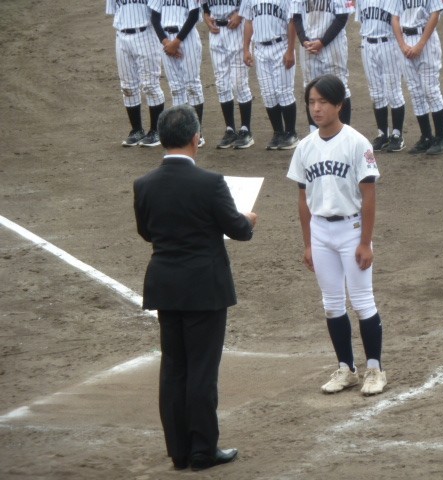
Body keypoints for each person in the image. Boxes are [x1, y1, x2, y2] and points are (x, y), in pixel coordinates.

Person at [133, 104, 257, 471]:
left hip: (165, 285)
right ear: (195, 138)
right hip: (204, 288)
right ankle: (203, 449)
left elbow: (146, 232)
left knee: (174, 368)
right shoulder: (211, 182)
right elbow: (238, 229)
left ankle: (179, 451)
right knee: (202, 370)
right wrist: (249, 220)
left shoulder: (144, 184)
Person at [287, 74, 387, 396]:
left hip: (351, 229)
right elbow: (303, 198)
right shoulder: (305, 147)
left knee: (362, 301)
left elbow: (368, 196)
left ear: (339, 105)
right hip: (320, 231)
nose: (316, 108)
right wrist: (308, 243)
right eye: (311, 102)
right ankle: (347, 368)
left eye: (323, 102)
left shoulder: (357, 143)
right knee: (331, 304)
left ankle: (375, 369)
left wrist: (365, 242)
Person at [391, 0, 443, 155]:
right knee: (415, 92)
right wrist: (402, 45)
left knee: (430, 89)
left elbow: (435, 14)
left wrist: (420, 44)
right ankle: (426, 137)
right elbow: (394, 18)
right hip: (405, 39)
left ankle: (441, 138)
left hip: (426, 40)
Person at [239, 0, 299, 150]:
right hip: (260, 48)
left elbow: (292, 21)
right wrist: (246, 49)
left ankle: (291, 133)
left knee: (284, 92)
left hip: (281, 45)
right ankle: (278, 133)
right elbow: (248, 22)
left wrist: (290, 50)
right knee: (268, 94)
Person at [106, 0, 165, 147]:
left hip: (146, 35)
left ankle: (156, 131)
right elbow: (114, 10)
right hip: (121, 36)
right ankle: (136, 130)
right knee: (127, 87)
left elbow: (158, 10)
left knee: (150, 85)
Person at [149, 0, 206, 147]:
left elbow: (194, 15)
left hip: (187, 39)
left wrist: (176, 42)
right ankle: (181, 132)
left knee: (192, 86)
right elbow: (154, 16)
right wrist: (165, 42)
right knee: (176, 88)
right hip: (166, 39)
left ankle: (197, 133)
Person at [292, 0, 355, 131]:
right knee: (310, 87)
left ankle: (344, 133)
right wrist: (303, 40)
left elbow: (342, 17)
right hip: (308, 46)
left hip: (333, 45)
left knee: (339, 86)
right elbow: (296, 16)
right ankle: (314, 133)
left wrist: (322, 42)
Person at [202, 0, 255, 150]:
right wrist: (206, 17)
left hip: (237, 30)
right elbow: (204, 5)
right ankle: (230, 129)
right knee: (221, 83)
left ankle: (246, 130)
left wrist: (240, 14)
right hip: (216, 32)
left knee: (239, 82)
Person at [356, 0, 407, 152]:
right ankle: (382, 134)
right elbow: (362, 20)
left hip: (389, 43)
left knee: (393, 91)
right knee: (376, 93)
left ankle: (397, 135)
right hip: (367, 45)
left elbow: (399, 20)